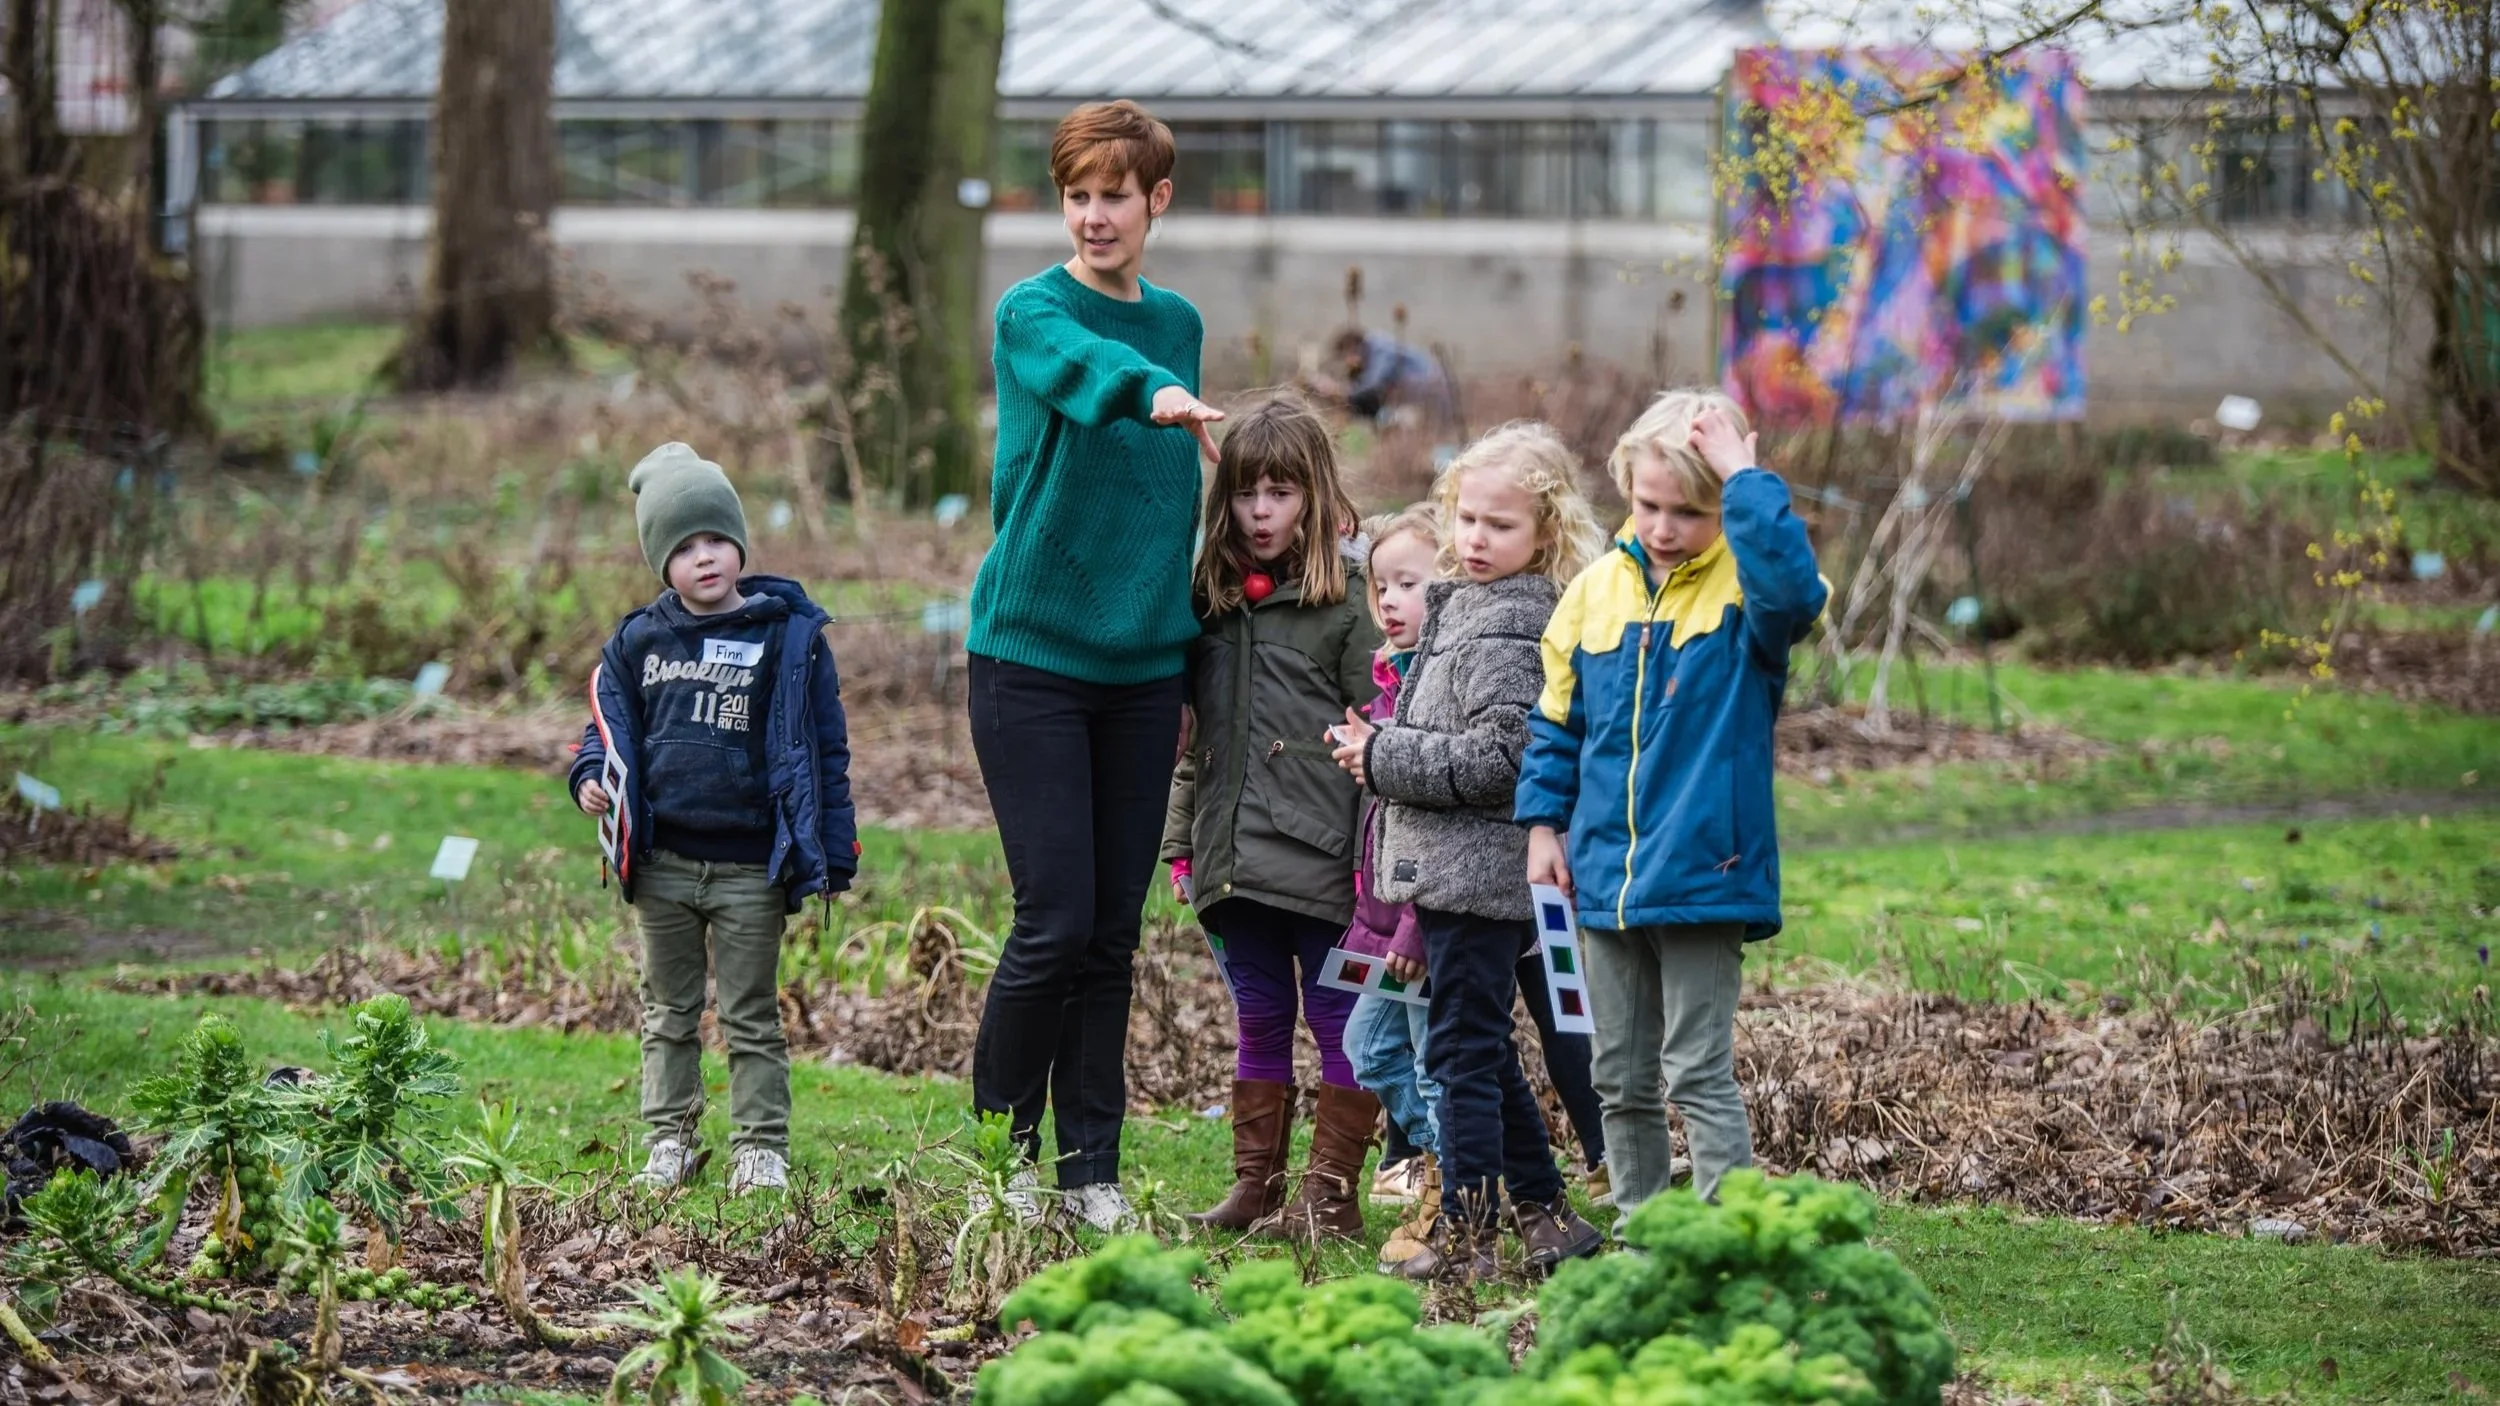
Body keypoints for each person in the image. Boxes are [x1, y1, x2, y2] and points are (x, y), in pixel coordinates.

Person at [964, 98, 1227, 1234]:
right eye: (1076, 194)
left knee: (1113, 931)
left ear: (1155, 199)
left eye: (1114, 194)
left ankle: (1091, 1170)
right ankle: (1002, 1155)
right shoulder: (1034, 310)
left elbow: (1172, 508)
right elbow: (1079, 364)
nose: (1092, 215)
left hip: (1140, 670)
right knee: (1054, 917)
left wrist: (1187, 666)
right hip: (1029, 656)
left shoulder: (1181, 319)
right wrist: (1150, 391)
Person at [1515, 390, 1827, 1214]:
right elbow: (1557, 722)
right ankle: (1644, 1232)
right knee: (1617, 1074)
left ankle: (1732, 1238)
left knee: (1697, 1071)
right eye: (1649, 505)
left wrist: (1745, 476)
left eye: (1689, 511)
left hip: (1705, 872)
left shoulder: (1748, 592)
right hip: (1604, 874)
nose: (1662, 527)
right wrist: (1544, 824)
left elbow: (1798, 595)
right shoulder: (1593, 594)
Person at [1330, 421, 1608, 1280]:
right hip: (1457, 874)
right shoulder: (1474, 606)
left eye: (1500, 526)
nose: (1474, 540)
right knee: (1476, 1046)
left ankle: (1467, 1227)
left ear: (1547, 533)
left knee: (1458, 1053)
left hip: (1482, 877)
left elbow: (1505, 757)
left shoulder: (1513, 622)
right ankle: (1547, 1216)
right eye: (1466, 520)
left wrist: (1381, 757)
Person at [569, 441, 857, 1199]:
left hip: (747, 869)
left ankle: (760, 1147)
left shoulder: (785, 638)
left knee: (751, 1013)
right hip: (661, 865)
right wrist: (590, 779)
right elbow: (604, 730)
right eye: (685, 546)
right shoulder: (637, 642)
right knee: (667, 1009)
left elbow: (824, 750)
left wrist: (832, 851)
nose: (705, 558)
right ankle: (671, 1138)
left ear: (740, 543)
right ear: (659, 560)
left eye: (717, 540)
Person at [1161, 392, 1382, 1241]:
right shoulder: (1212, 601)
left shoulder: (1347, 603)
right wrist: (1183, 847)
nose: (1261, 512)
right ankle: (1255, 1188)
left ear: (1315, 496)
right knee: (1256, 1018)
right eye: (1247, 493)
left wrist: (1375, 869)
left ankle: (1331, 1199)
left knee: (1334, 1021)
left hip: (1326, 863)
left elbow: (1380, 733)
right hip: (1232, 860)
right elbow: (1198, 744)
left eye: (1281, 493)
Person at [1334, 503, 1445, 1272]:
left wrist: (1413, 928)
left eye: (1410, 582)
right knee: (1367, 1047)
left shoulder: (1441, 683)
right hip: (1385, 920)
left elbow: (1441, 825)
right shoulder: (1392, 679)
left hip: (1429, 922)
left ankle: (1451, 1184)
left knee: (1436, 1063)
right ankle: (1463, 1159)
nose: (1390, 600)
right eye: (1381, 585)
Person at [1325, 326, 1457, 428]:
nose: (1348, 363)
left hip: (1432, 390)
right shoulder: (1374, 348)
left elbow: (1373, 385)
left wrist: (1343, 392)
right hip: (1421, 394)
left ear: (1354, 349)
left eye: (1346, 357)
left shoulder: (1380, 349)